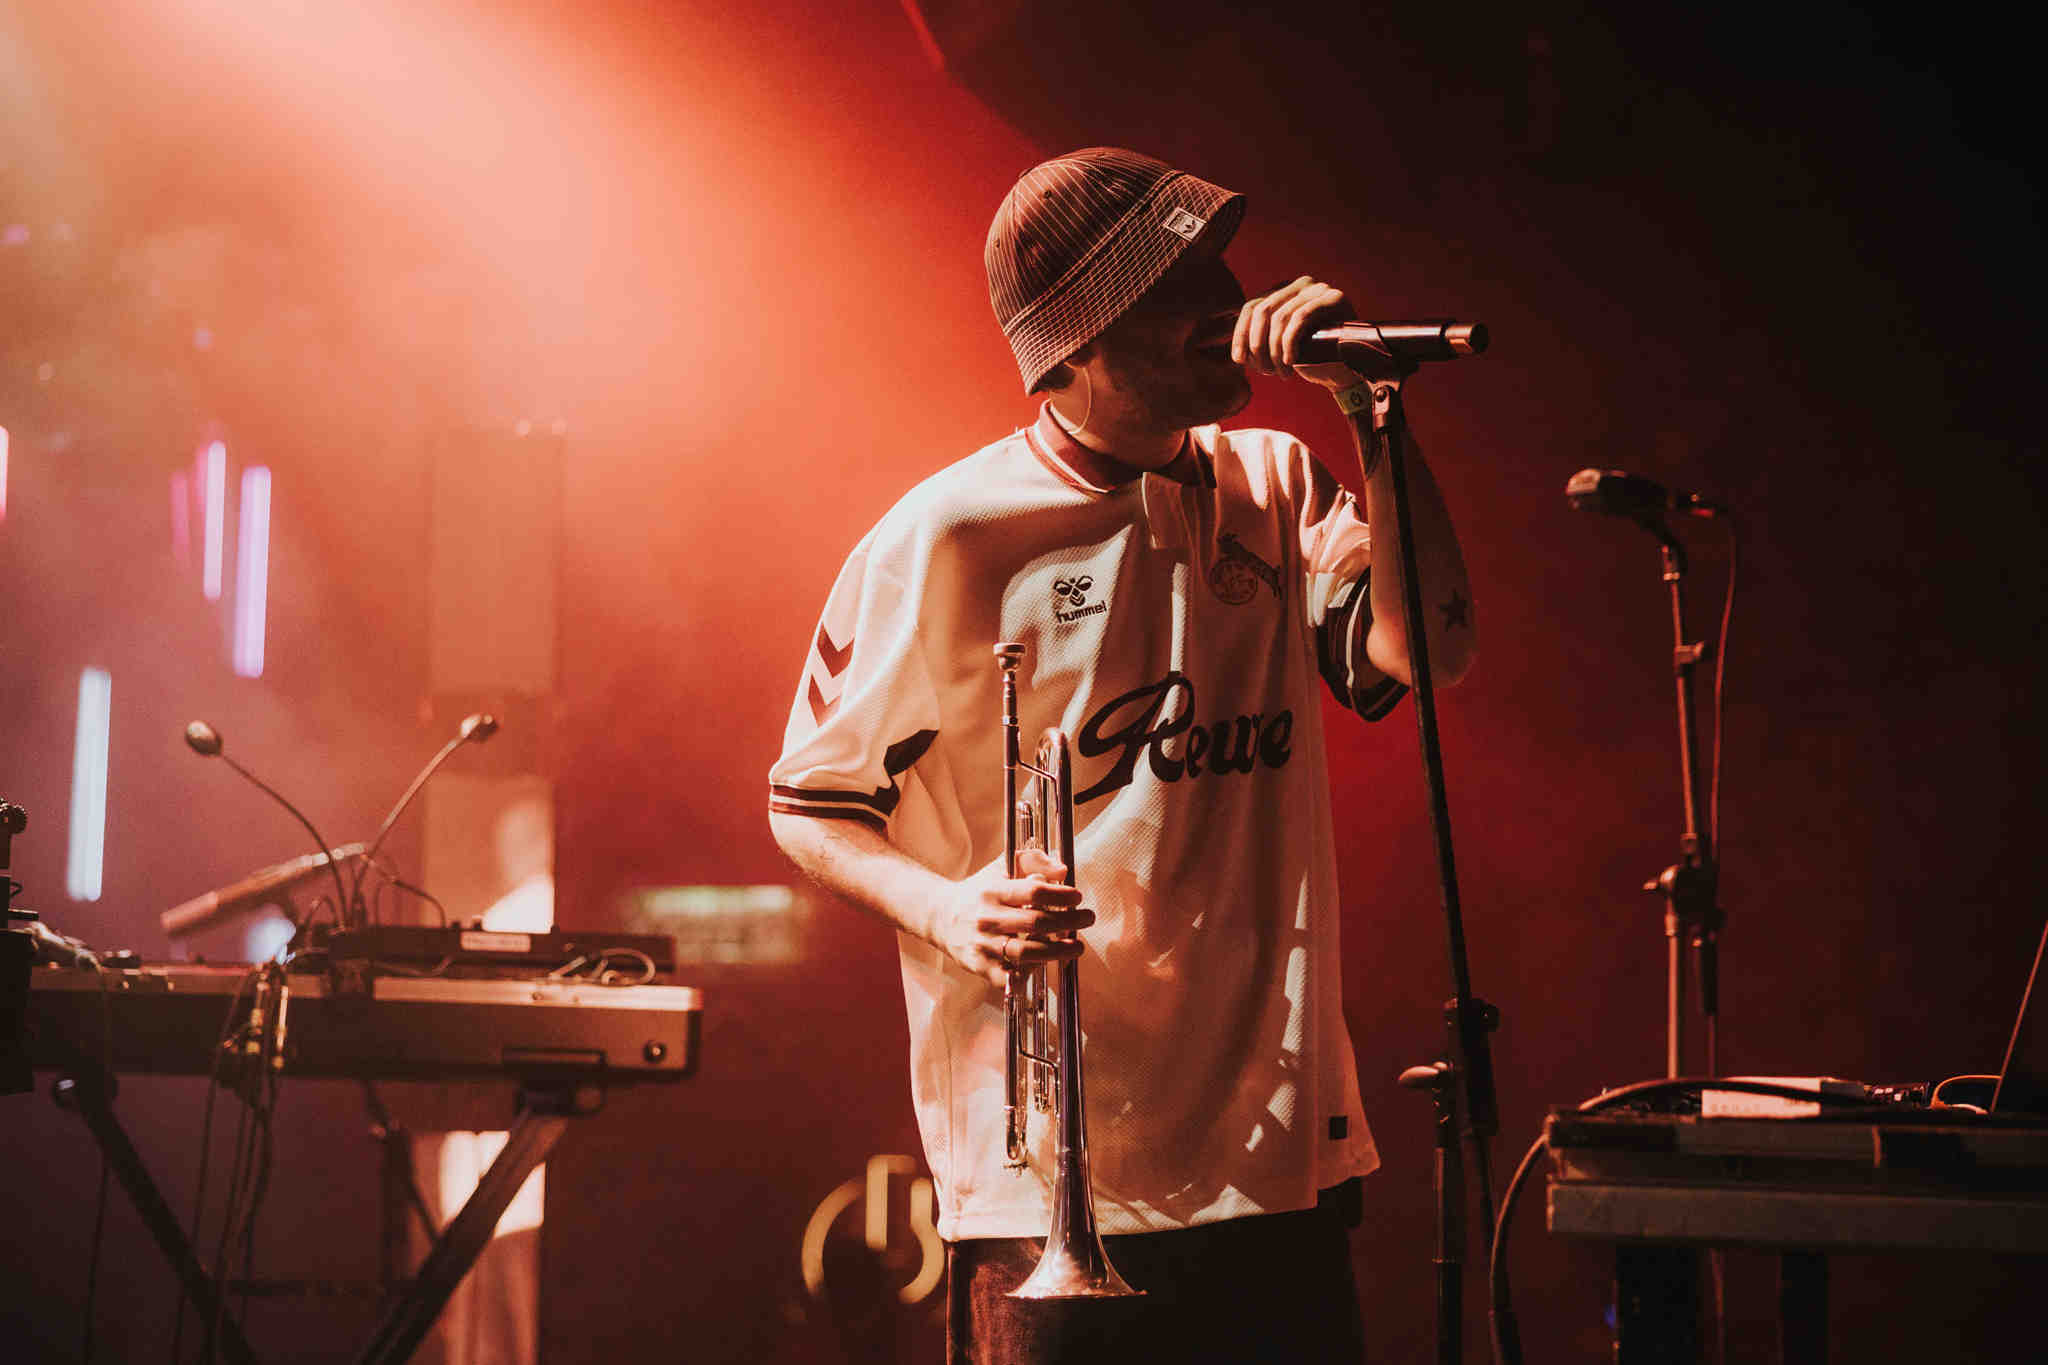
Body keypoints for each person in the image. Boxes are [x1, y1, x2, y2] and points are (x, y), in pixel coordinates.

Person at [769, 146, 1474, 1363]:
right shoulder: (946, 534)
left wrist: (1371, 414)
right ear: (1072, 347)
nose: (1226, 300)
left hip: (1274, 1151)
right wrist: (948, 910)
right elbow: (808, 802)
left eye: (1218, 265)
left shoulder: (1275, 480)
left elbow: (1430, 651)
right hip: (1046, 1170)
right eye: (1172, 284)